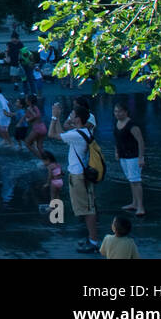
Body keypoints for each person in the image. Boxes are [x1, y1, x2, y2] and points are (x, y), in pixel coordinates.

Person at [50, 102, 101, 253]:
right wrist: (58, 120)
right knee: (86, 208)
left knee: (87, 209)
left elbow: (52, 134)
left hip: (78, 176)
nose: (70, 116)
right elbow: (60, 133)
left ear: (78, 119)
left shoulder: (77, 135)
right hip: (81, 174)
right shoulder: (83, 132)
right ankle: (92, 238)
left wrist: (54, 116)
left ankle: (93, 241)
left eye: (72, 114)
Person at [113, 101, 146, 217]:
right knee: (131, 180)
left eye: (119, 111)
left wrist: (141, 157)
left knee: (136, 181)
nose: (117, 114)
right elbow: (117, 139)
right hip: (124, 156)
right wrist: (117, 151)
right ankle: (134, 203)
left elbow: (140, 141)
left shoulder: (132, 125)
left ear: (126, 112)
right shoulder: (117, 123)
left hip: (133, 156)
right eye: (116, 111)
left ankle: (140, 206)